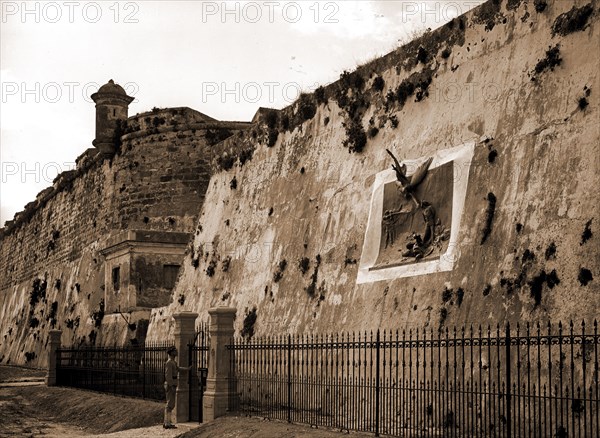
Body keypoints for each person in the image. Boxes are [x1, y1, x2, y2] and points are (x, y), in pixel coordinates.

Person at [163, 347, 191, 429]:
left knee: (171, 404)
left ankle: (167, 422)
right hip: (171, 384)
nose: (176, 352)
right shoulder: (169, 363)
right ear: (171, 353)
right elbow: (168, 376)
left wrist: (187, 369)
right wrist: (171, 385)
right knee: (170, 404)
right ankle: (167, 423)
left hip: (173, 384)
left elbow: (178, 369)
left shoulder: (173, 362)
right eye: (175, 351)